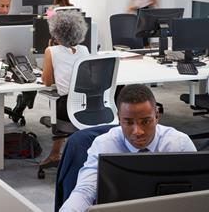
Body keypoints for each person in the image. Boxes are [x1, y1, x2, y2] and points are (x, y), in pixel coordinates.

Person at [60, 84, 196, 212]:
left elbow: (198, 194)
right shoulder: (104, 145)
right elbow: (85, 190)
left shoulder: (179, 144)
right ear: (119, 119)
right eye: (128, 122)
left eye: (146, 121)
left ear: (156, 116)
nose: (137, 131)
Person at [40, 10, 90, 168]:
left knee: (55, 99)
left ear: (56, 32)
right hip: (86, 105)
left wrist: (50, 55)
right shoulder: (84, 50)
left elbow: (47, 82)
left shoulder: (51, 51)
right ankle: (66, 153)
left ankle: (55, 153)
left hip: (66, 108)